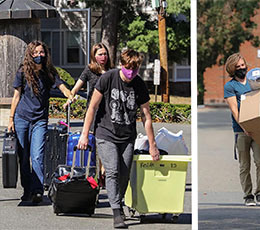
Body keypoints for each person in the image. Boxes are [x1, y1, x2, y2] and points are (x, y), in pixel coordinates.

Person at [76, 49, 160, 229]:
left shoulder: (139, 85)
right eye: (129, 68)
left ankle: (118, 200)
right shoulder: (107, 78)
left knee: (124, 174)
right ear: (122, 65)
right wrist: (84, 134)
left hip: (127, 136)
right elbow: (92, 107)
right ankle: (116, 211)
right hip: (105, 133)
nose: (131, 72)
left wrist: (153, 145)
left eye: (135, 68)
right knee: (113, 170)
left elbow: (146, 116)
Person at [9, 40, 74, 205]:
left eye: (42, 52)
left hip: (40, 119)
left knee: (37, 156)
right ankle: (27, 189)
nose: (39, 55)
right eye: (36, 53)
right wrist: (10, 119)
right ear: (30, 55)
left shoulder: (49, 72)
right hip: (22, 118)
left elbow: (61, 86)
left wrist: (70, 95)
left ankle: (37, 190)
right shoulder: (23, 72)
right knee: (23, 157)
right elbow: (16, 96)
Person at [222, 53, 260, 207]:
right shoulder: (230, 86)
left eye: (243, 65)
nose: (242, 68)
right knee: (244, 165)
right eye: (238, 67)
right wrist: (245, 127)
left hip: (258, 128)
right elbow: (235, 110)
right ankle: (248, 195)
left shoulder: (253, 82)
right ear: (232, 69)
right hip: (241, 131)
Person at [66, 43, 112, 187]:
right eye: (100, 54)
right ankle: (97, 173)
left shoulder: (112, 71)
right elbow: (75, 88)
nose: (103, 57)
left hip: (108, 113)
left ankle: (104, 171)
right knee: (96, 143)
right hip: (93, 112)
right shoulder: (89, 70)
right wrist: (70, 98)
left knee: (106, 143)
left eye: (105, 54)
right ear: (94, 56)